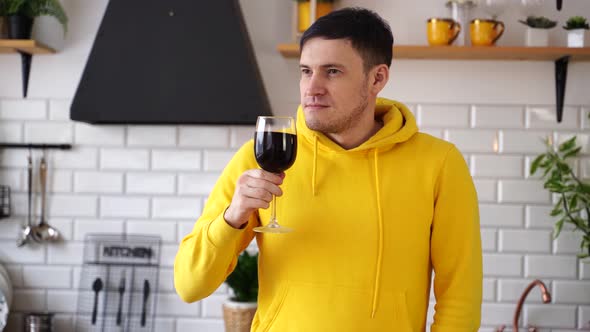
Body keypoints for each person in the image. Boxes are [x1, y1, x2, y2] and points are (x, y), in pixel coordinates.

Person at [174, 7, 482, 332]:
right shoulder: (259, 157)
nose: (312, 87)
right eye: (306, 71)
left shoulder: (439, 163)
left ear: (377, 78)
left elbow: (460, 297)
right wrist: (231, 218)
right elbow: (190, 285)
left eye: (332, 71)